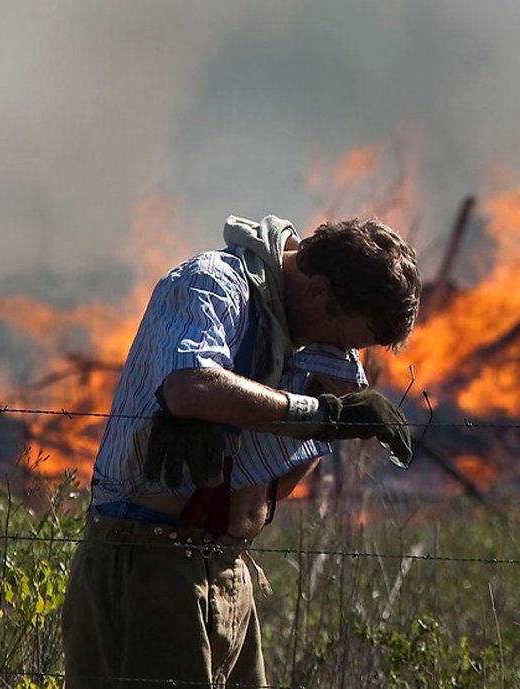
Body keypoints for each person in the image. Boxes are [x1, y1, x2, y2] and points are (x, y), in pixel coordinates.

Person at [61, 214, 422, 688]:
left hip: (229, 569)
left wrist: (329, 420)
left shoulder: (316, 328)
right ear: (318, 291)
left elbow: (313, 438)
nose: (345, 352)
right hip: (150, 560)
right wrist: (321, 415)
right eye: (346, 340)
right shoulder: (211, 283)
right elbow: (190, 387)